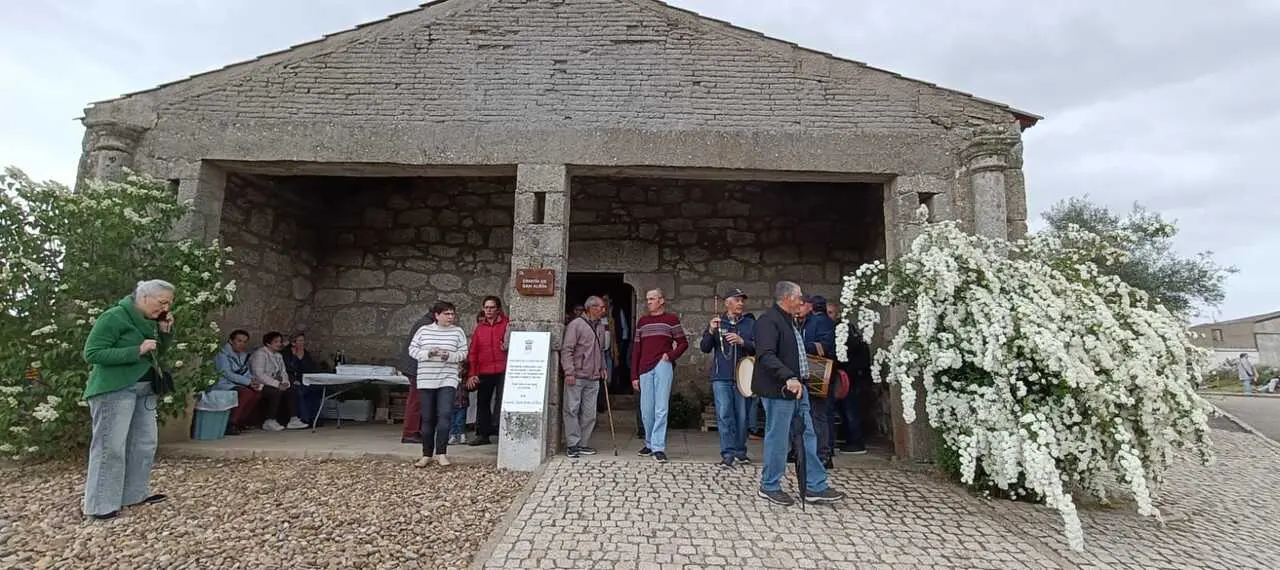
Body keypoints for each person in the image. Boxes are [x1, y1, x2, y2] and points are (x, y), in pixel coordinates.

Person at [81, 279, 177, 520]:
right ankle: (100, 506)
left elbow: (156, 353)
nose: (165, 308)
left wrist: (164, 334)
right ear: (145, 297)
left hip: (145, 389)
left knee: (144, 443)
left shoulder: (150, 321)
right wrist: (136, 350)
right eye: (162, 302)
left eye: (169, 304)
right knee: (110, 447)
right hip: (115, 389)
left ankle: (134, 494)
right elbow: (92, 353)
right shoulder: (114, 316)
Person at [753, 281, 846, 506]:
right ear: (786, 298)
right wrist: (788, 377)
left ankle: (815, 485)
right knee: (778, 439)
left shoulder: (790, 321)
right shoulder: (769, 321)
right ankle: (770, 485)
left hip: (798, 388)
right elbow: (766, 354)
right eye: (799, 297)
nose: (802, 302)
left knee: (807, 435)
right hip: (780, 389)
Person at [408, 301, 470, 467]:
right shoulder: (423, 331)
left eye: (452, 314)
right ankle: (426, 454)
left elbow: (463, 353)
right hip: (426, 379)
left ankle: (442, 453)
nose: (451, 317)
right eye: (447, 314)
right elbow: (412, 350)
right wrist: (429, 353)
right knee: (428, 418)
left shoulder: (458, 332)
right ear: (437, 315)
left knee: (445, 415)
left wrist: (447, 356)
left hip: (447, 379)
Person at [700, 287, 757, 468]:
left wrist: (743, 342)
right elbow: (705, 347)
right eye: (737, 300)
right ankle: (727, 454)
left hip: (743, 376)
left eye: (742, 300)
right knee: (724, 415)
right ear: (727, 303)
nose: (741, 303)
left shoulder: (749, 323)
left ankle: (740, 451)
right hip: (721, 376)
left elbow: (760, 347)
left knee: (742, 416)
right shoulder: (718, 322)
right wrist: (710, 330)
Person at [630, 288, 689, 463]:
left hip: (663, 365)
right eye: (647, 299)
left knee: (661, 408)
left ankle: (658, 446)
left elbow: (683, 343)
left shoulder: (671, 320)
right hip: (644, 368)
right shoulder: (642, 322)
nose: (648, 302)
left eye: (652, 299)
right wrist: (634, 375)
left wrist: (670, 356)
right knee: (646, 411)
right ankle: (649, 442)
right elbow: (636, 350)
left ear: (661, 300)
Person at [561, 296, 609, 458]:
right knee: (572, 409)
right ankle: (573, 444)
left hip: (594, 376)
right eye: (601, 307)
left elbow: (601, 350)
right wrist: (569, 371)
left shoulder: (601, 326)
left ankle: (583, 443)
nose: (604, 310)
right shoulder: (576, 325)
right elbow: (567, 350)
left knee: (589, 413)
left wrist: (603, 367)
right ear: (592, 308)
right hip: (577, 375)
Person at [466, 296, 509, 446]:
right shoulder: (480, 328)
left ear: (498, 309)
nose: (489, 310)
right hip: (484, 369)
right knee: (482, 402)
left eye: (492, 307)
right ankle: (483, 434)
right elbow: (473, 351)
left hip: (503, 368)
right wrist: (472, 373)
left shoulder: (507, 324)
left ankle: (500, 431)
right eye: (486, 307)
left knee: (502, 401)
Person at [801, 295, 837, 469]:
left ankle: (824, 454)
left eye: (803, 304)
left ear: (811, 306)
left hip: (818, 371)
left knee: (819, 414)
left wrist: (799, 345)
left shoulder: (821, 322)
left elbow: (825, 347)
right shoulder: (807, 322)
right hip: (809, 371)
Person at [828, 301, 868, 455]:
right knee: (844, 410)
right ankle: (849, 440)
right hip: (844, 375)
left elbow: (848, 354)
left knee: (850, 409)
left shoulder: (845, 331)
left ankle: (856, 442)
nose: (828, 315)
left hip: (850, 376)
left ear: (837, 314)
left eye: (831, 312)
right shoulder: (839, 329)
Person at [250, 332, 307, 431]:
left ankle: (293, 419)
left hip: (276, 383)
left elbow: (283, 372)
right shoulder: (260, 354)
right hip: (261, 384)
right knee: (276, 392)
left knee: (292, 389)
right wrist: (277, 384)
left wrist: (285, 383)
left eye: (280, 341)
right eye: (276, 342)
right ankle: (269, 420)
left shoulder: (278, 356)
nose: (279, 344)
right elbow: (259, 374)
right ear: (268, 343)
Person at [212, 329, 260, 435]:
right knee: (246, 393)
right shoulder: (222, 354)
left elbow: (245, 371)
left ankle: (240, 421)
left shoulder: (243, 355)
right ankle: (230, 423)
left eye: (245, 342)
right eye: (239, 341)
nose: (242, 344)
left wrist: (252, 381)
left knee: (257, 393)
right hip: (222, 384)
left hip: (237, 383)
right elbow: (227, 373)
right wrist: (248, 382)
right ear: (231, 341)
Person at [400, 312, 435, 444]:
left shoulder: (424, 322)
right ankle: (410, 432)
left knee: (419, 400)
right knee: (416, 401)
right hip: (416, 368)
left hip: (415, 367)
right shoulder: (426, 326)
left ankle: (417, 430)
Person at [282, 331, 323, 427]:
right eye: (299, 340)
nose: (302, 343)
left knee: (315, 389)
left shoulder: (306, 353)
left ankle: (314, 417)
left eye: (303, 340)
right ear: (293, 342)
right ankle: (305, 418)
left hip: (305, 378)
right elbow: (289, 368)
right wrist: (295, 356)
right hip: (292, 379)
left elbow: (310, 367)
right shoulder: (287, 353)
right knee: (299, 391)